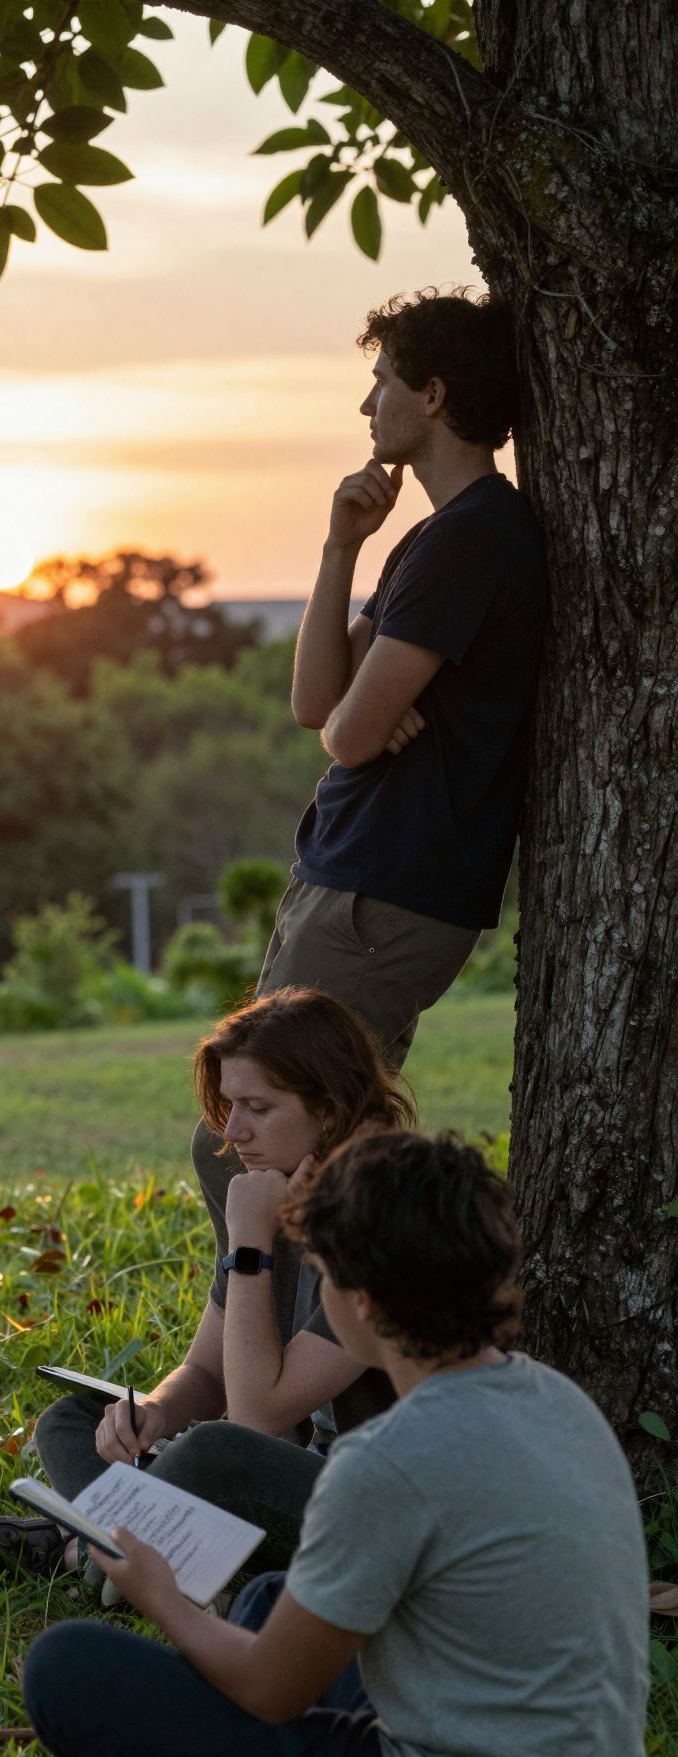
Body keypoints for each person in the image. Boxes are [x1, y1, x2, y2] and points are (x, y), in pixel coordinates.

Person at [0, 1131, 650, 1757]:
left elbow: (272, 1693)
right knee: (268, 1601)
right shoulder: (554, 1399)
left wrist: (158, 1595)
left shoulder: (388, 1464)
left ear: (361, 1303)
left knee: (67, 1670)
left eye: (323, 1273)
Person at [191, 287, 548, 1227]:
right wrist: (339, 547)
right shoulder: (430, 539)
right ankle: (300, 1323)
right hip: (351, 879)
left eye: (382, 380)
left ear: (433, 394)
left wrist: (358, 720)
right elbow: (319, 704)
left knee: (255, 1146)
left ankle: (288, 1326)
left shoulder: (474, 540)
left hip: (384, 893)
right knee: (297, 1144)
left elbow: (345, 736)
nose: (366, 403)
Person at [0, 988, 412, 1585]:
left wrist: (250, 1243)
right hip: (292, 1468)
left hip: (379, 1512)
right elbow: (206, 1374)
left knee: (215, 1453)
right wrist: (154, 1412)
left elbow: (257, 1417)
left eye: (257, 1108)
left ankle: (81, 1552)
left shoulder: (386, 1225)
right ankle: (147, 1555)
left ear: (330, 1112)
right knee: (75, 1421)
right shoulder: (277, 1190)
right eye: (230, 1105)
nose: (234, 1131)